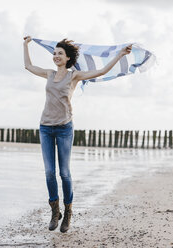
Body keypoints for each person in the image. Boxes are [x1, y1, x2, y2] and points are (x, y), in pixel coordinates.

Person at [23, 36, 132, 233]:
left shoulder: (74, 76)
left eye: (60, 54)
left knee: (64, 173)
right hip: (46, 127)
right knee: (49, 173)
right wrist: (25, 45)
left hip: (65, 127)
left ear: (67, 58)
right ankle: (55, 211)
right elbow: (28, 66)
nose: (56, 56)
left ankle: (68, 211)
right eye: (55, 53)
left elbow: (101, 71)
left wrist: (120, 55)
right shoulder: (48, 74)